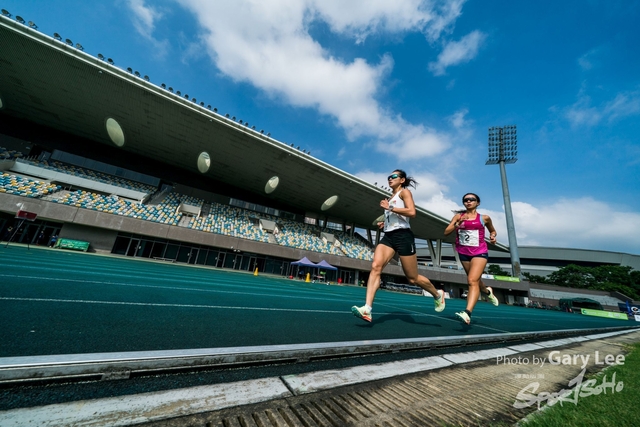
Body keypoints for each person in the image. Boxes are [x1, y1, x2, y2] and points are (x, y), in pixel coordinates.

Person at [352, 169, 445, 323]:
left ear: (402, 180)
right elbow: (396, 216)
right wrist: (386, 222)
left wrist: (390, 208)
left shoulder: (404, 192)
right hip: (389, 236)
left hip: (403, 236)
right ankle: (367, 309)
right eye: (389, 176)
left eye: (394, 176)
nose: (390, 178)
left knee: (413, 278)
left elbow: (412, 212)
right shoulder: (390, 197)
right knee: (376, 266)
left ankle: (437, 294)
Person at [444, 193, 499, 325]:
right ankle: (487, 291)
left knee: (471, 280)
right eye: (465, 200)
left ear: (477, 202)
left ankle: (467, 312)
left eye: (471, 199)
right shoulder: (458, 217)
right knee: (475, 280)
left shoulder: (484, 218)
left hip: (479, 252)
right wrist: (456, 225)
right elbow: (446, 232)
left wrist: (493, 236)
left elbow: (493, 230)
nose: (468, 201)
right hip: (463, 252)